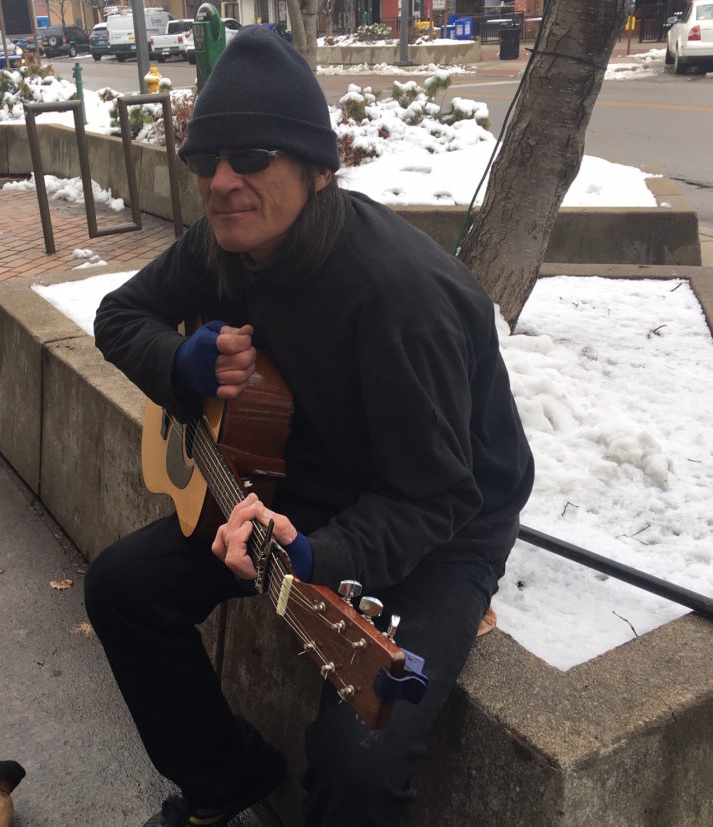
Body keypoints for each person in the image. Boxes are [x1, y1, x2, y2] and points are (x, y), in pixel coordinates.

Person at [86, 25, 534, 827]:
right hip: (291, 474)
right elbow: (120, 316)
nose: (222, 181)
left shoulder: (398, 303)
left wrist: (316, 555)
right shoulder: (226, 244)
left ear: (318, 169)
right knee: (122, 589)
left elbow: (436, 495)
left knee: (359, 761)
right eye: (205, 161)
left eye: (251, 157)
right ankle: (226, 777)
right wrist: (184, 364)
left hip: (443, 517)